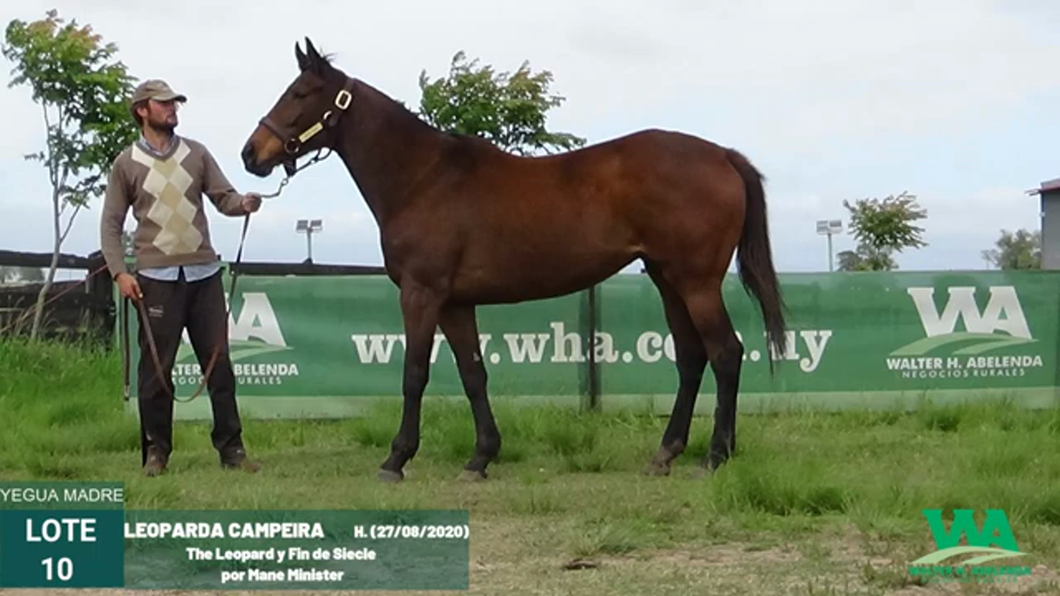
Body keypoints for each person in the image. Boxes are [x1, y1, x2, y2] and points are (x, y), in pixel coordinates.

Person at [100, 79, 263, 477]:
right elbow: (110, 224)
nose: (173, 109)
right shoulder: (126, 163)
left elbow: (223, 198)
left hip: (204, 273)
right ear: (142, 109)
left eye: (174, 103)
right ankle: (156, 453)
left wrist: (242, 203)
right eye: (164, 103)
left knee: (219, 364)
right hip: (155, 278)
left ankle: (232, 450)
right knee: (156, 372)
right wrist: (121, 272)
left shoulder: (197, 153)